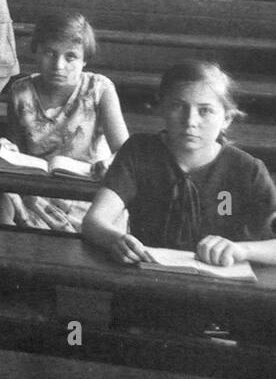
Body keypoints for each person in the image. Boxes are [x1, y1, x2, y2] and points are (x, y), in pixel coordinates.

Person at [84, 61, 276, 268]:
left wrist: (242, 249)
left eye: (205, 111)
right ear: (161, 108)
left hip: (221, 290)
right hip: (147, 281)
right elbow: (94, 221)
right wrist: (114, 238)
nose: (190, 121)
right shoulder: (139, 152)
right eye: (178, 106)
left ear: (227, 118)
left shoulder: (247, 170)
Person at [0, 10, 129, 233]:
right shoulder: (21, 91)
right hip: (36, 192)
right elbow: (16, 147)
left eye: (70, 57)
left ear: (84, 59)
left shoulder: (99, 89)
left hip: (86, 194)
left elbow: (126, 152)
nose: (58, 65)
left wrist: (108, 164)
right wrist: (6, 146)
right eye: (50, 53)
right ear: (35, 51)